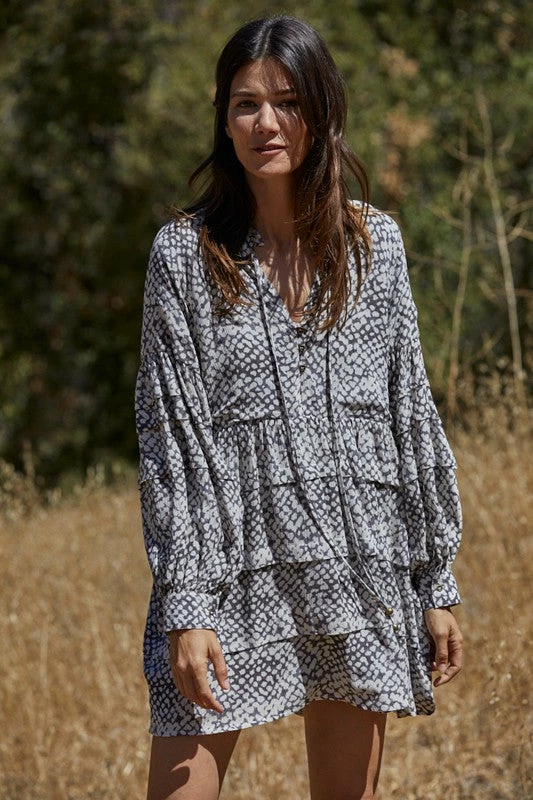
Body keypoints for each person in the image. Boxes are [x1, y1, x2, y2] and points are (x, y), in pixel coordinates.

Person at [135, 14, 464, 800]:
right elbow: (171, 437)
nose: (265, 122)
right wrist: (186, 603)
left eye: (286, 101)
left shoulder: (374, 247)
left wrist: (435, 581)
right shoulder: (183, 256)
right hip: (227, 573)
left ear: (321, 111)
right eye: (245, 104)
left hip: (358, 570)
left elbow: (409, 415)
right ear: (223, 120)